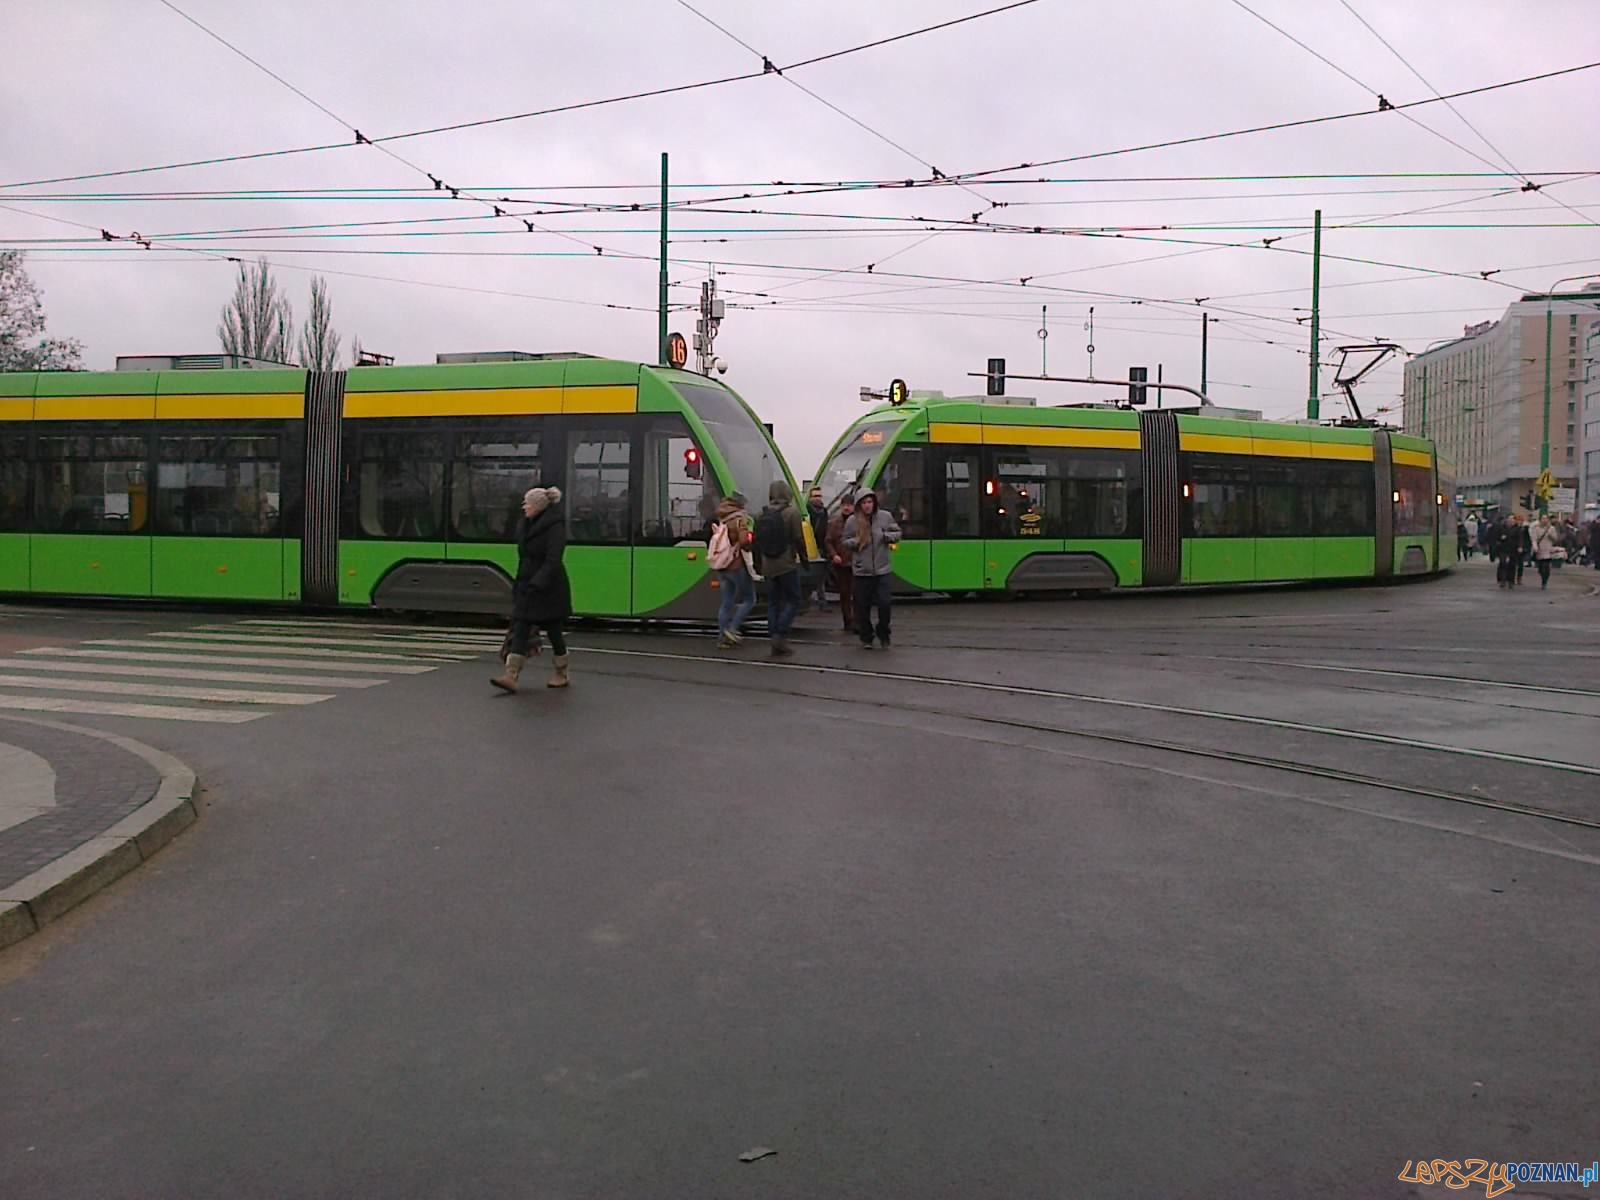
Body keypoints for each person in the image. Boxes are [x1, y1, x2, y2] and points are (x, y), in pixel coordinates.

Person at [491, 487, 572, 693]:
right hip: (528, 585)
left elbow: (553, 560)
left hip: (549, 588)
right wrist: (521, 584)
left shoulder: (555, 527)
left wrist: (538, 582)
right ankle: (511, 675)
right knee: (521, 627)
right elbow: (525, 558)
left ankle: (561, 673)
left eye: (527, 503)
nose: (523, 506)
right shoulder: (525, 525)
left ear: (537, 506)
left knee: (554, 631)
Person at [752, 480, 808, 657]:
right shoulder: (792, 513)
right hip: (786, 564)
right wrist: (805, 560)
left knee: (774, 602)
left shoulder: (761, 514)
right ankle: (780, 634)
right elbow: (798, 539)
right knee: (794, 600)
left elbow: (756, 543)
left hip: (768, 564)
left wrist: (757, 565)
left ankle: (774, 635)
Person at [841, 489, 901, 649]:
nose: (867, 506)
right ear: (859, 504)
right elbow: (845, 541)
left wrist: (886, 536)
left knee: (884, 604)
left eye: (870, 502)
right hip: (862, 571)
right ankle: (866, 636)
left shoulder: (885, 517)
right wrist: (856, 541)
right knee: (862, 606)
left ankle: (883, 632)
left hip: (882, 569)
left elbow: (897, 534)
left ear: (874, 503)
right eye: (864, 503)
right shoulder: (852, 521)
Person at [709, 491, 755, 648]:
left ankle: (722, 637)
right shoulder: (739, 519)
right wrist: (750, 540)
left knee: (726, 602)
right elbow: (743, 541)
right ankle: (733, 628)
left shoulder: (722, 517)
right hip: (736, 565)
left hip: (722, 565)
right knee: (749, 599)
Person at [824, 495, 857, 634]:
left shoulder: (859, 521)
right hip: (842, 563)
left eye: (849, 505)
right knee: (844, 593)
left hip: (857, 563)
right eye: (844, 505)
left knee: (858, 593)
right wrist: (834, 555)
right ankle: (847, 621)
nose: (846, 507)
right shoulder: (835, 523)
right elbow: (828, 541)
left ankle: (858, 621)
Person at [805, 487, 829, 612]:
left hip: (820, 546)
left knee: (821, 576)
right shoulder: (806, 511)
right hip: (809, 545)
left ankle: (822, 601)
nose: (817, 498)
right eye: (815, 496)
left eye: (819, 495)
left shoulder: (824, 511)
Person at [1530, 513, 1561, 590]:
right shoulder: (1536, 528)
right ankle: (1542, 575)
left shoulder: (1551, 528)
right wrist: (1535, 547)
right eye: (1543, 518)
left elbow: (1555, 539)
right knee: (1541, 568)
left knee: (1546, 567)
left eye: (1546, 518)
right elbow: (1534, 539)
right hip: (1539, 550)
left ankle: (1544, 582)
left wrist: (1551, 536)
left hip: (1548, 550)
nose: (1544, 520)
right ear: (1540, 520)